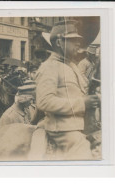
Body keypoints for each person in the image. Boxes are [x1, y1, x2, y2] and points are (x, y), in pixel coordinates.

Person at [33, 20, 100, 160]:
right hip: (63, 129)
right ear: (59, 43)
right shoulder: (50, 67)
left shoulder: (71, 66)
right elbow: (44, 102)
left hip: (81, 125)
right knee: (85, 157)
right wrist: (83, 103)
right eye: (72, 40)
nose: (78, 43)